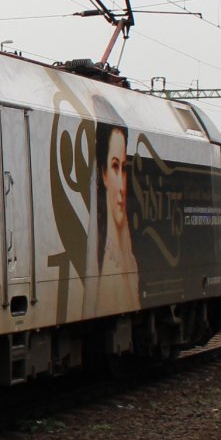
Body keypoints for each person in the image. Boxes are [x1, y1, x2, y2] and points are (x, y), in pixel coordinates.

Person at [96, 121, 139, 311]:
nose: (121, 187)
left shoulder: (130, 261)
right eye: (115, 167)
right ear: (104, 174)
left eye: (124, 169)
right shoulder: (106, 273)